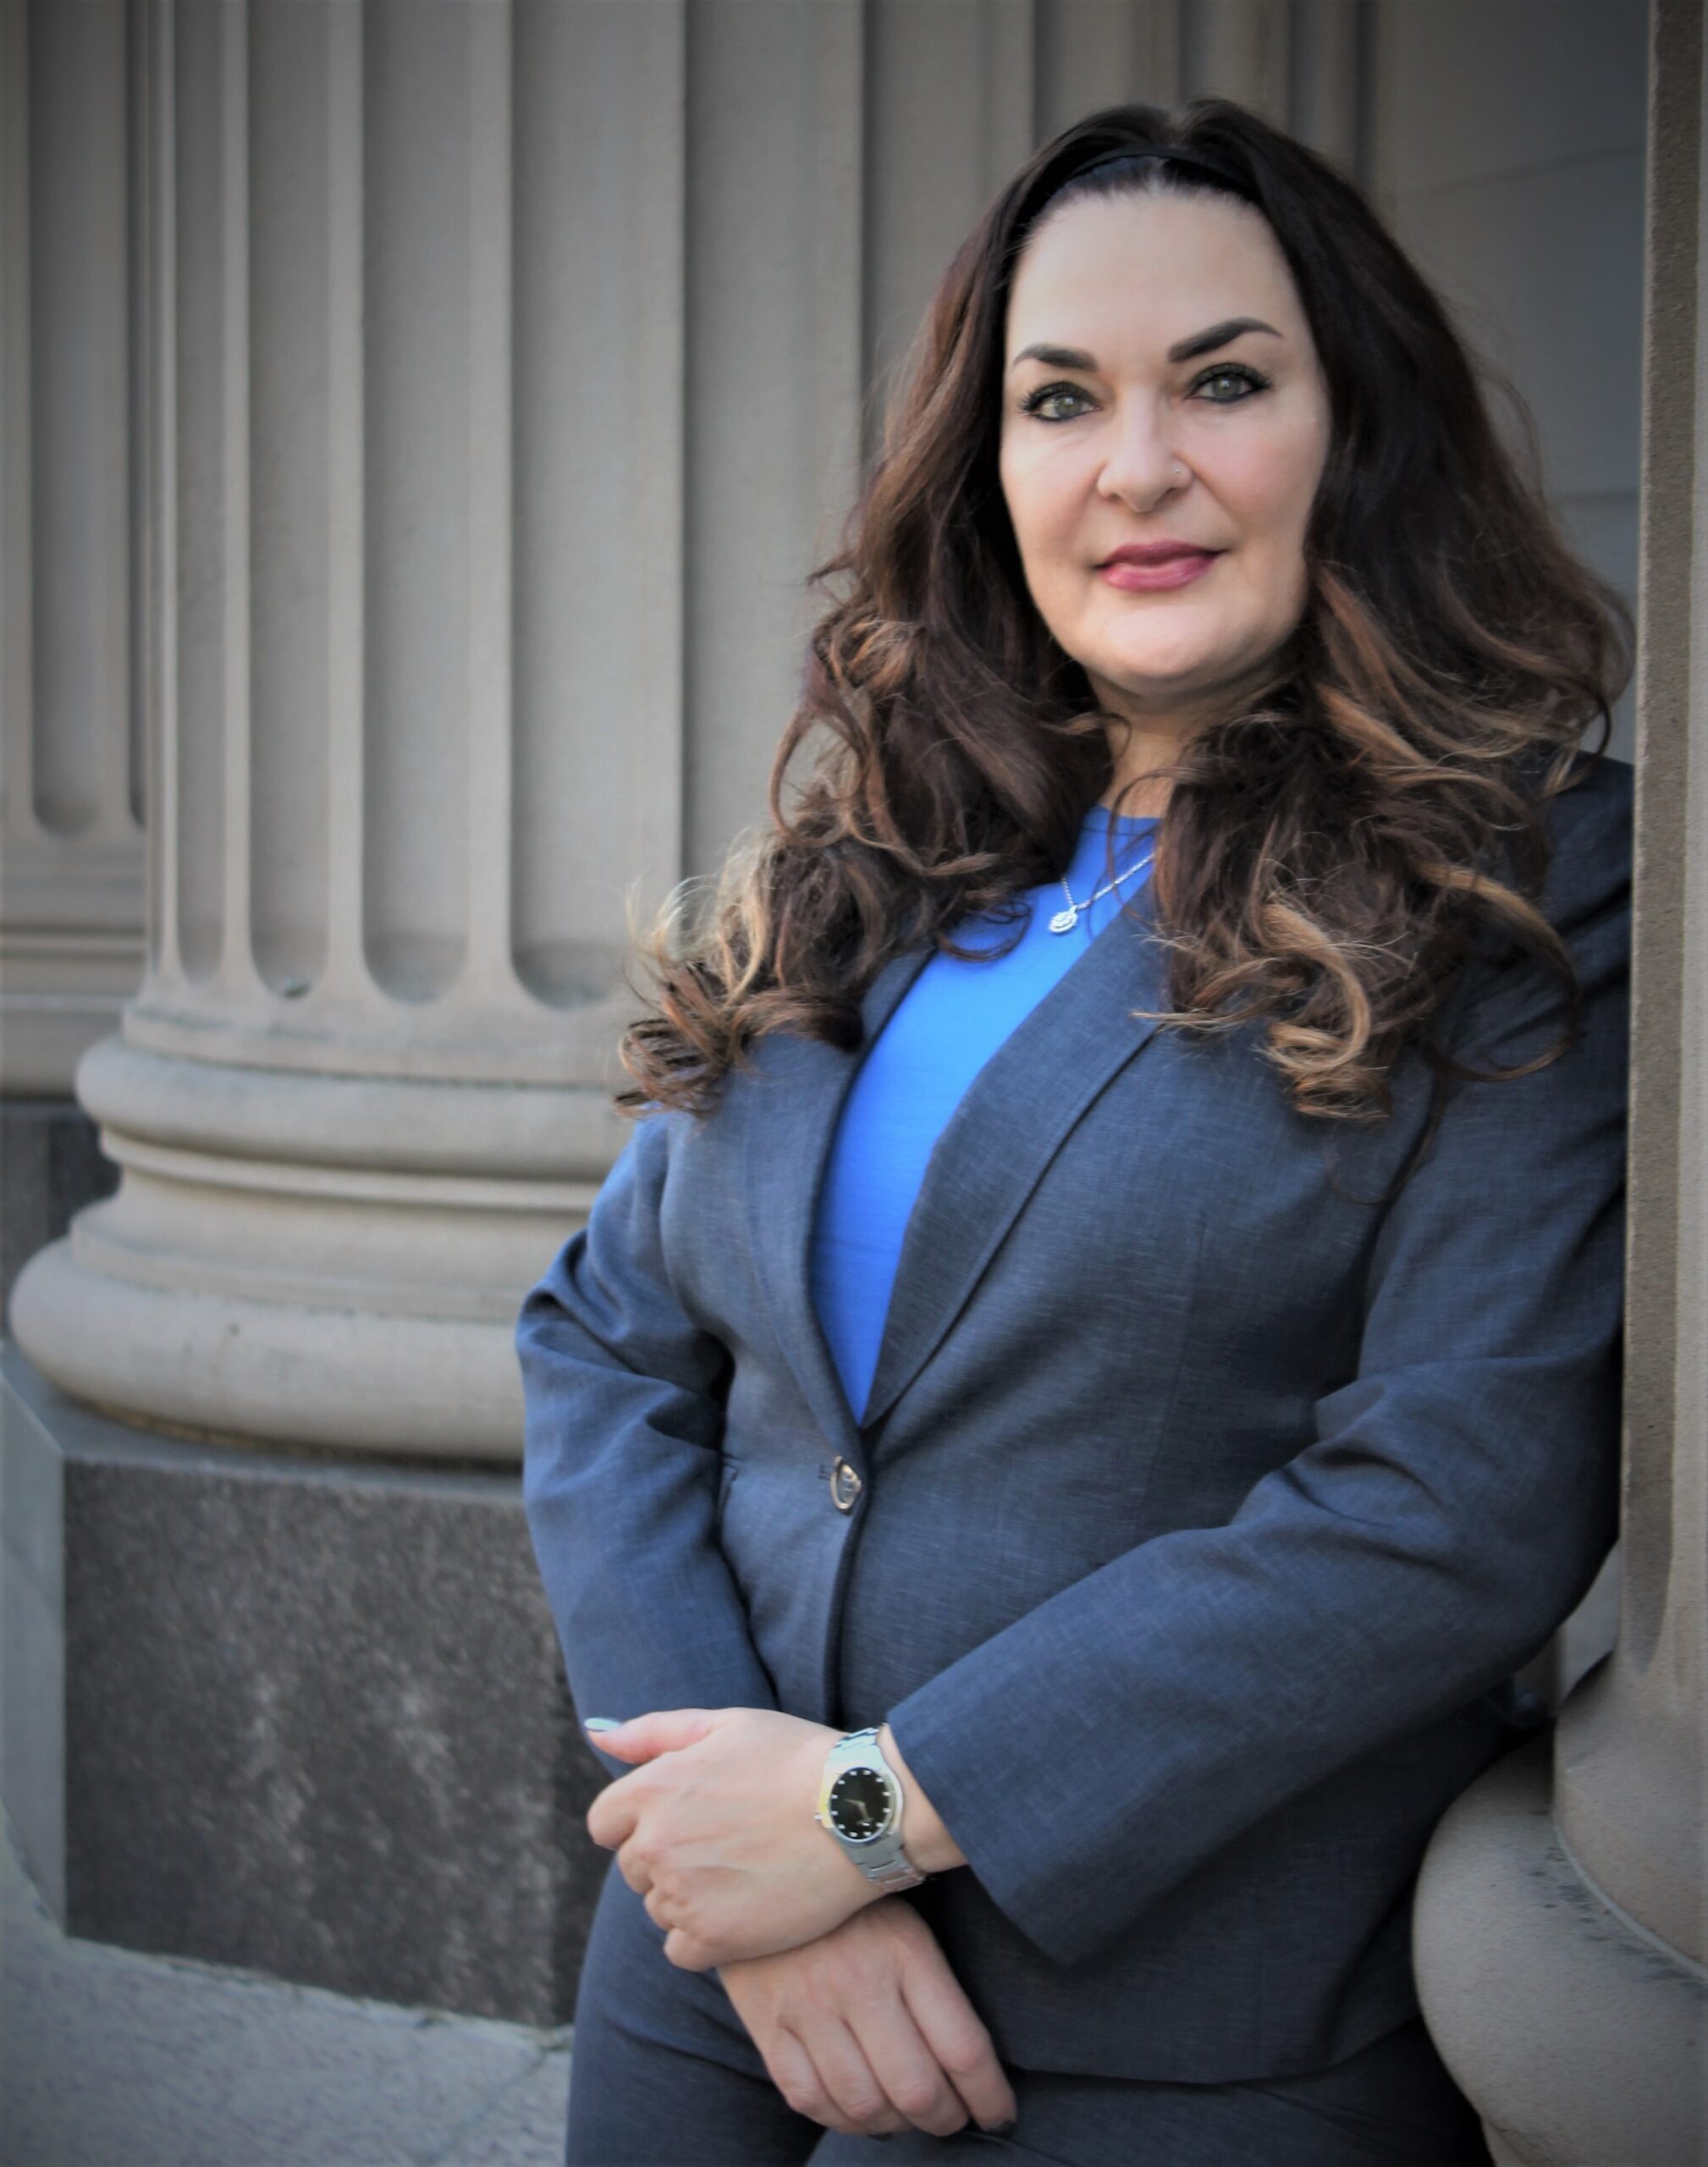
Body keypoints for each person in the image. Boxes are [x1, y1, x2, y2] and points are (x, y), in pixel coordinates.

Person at [515, 94, 1634, 2167]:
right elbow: (601, 1338)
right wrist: (730, 1847)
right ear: (990, 465)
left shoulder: (1528, 879)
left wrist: (861, 1815)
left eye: (1223, 379)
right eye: (1058, 399)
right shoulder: (869, 856)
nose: (1137, 467)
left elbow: (1460, 1492)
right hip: (711, 1972)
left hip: (1158, 2027)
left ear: (1353, 431)